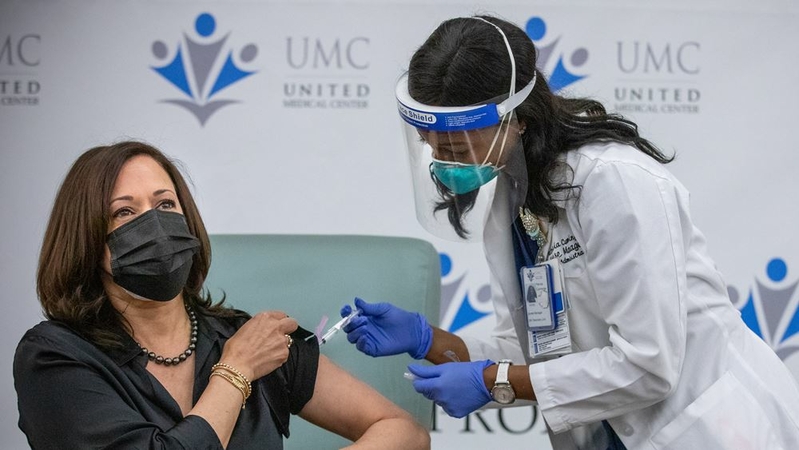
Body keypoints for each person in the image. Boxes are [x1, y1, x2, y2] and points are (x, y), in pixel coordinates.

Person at [339, 15, 799, 450]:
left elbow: (649, 364)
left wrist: (490, 382)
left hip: (706, 430)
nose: (444, 162)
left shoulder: (613, 182)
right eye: (431, 145)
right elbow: (535, 349)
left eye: (457, 145)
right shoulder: (511, 199)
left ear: (515, 119)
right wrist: (430, 340)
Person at [13, 141, 430, 450]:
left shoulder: (245, 337)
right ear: (85, 238)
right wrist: (235, 371)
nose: (154, 227)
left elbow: (404, 432)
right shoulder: (55, 356)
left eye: (165, 204)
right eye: (125, 212)